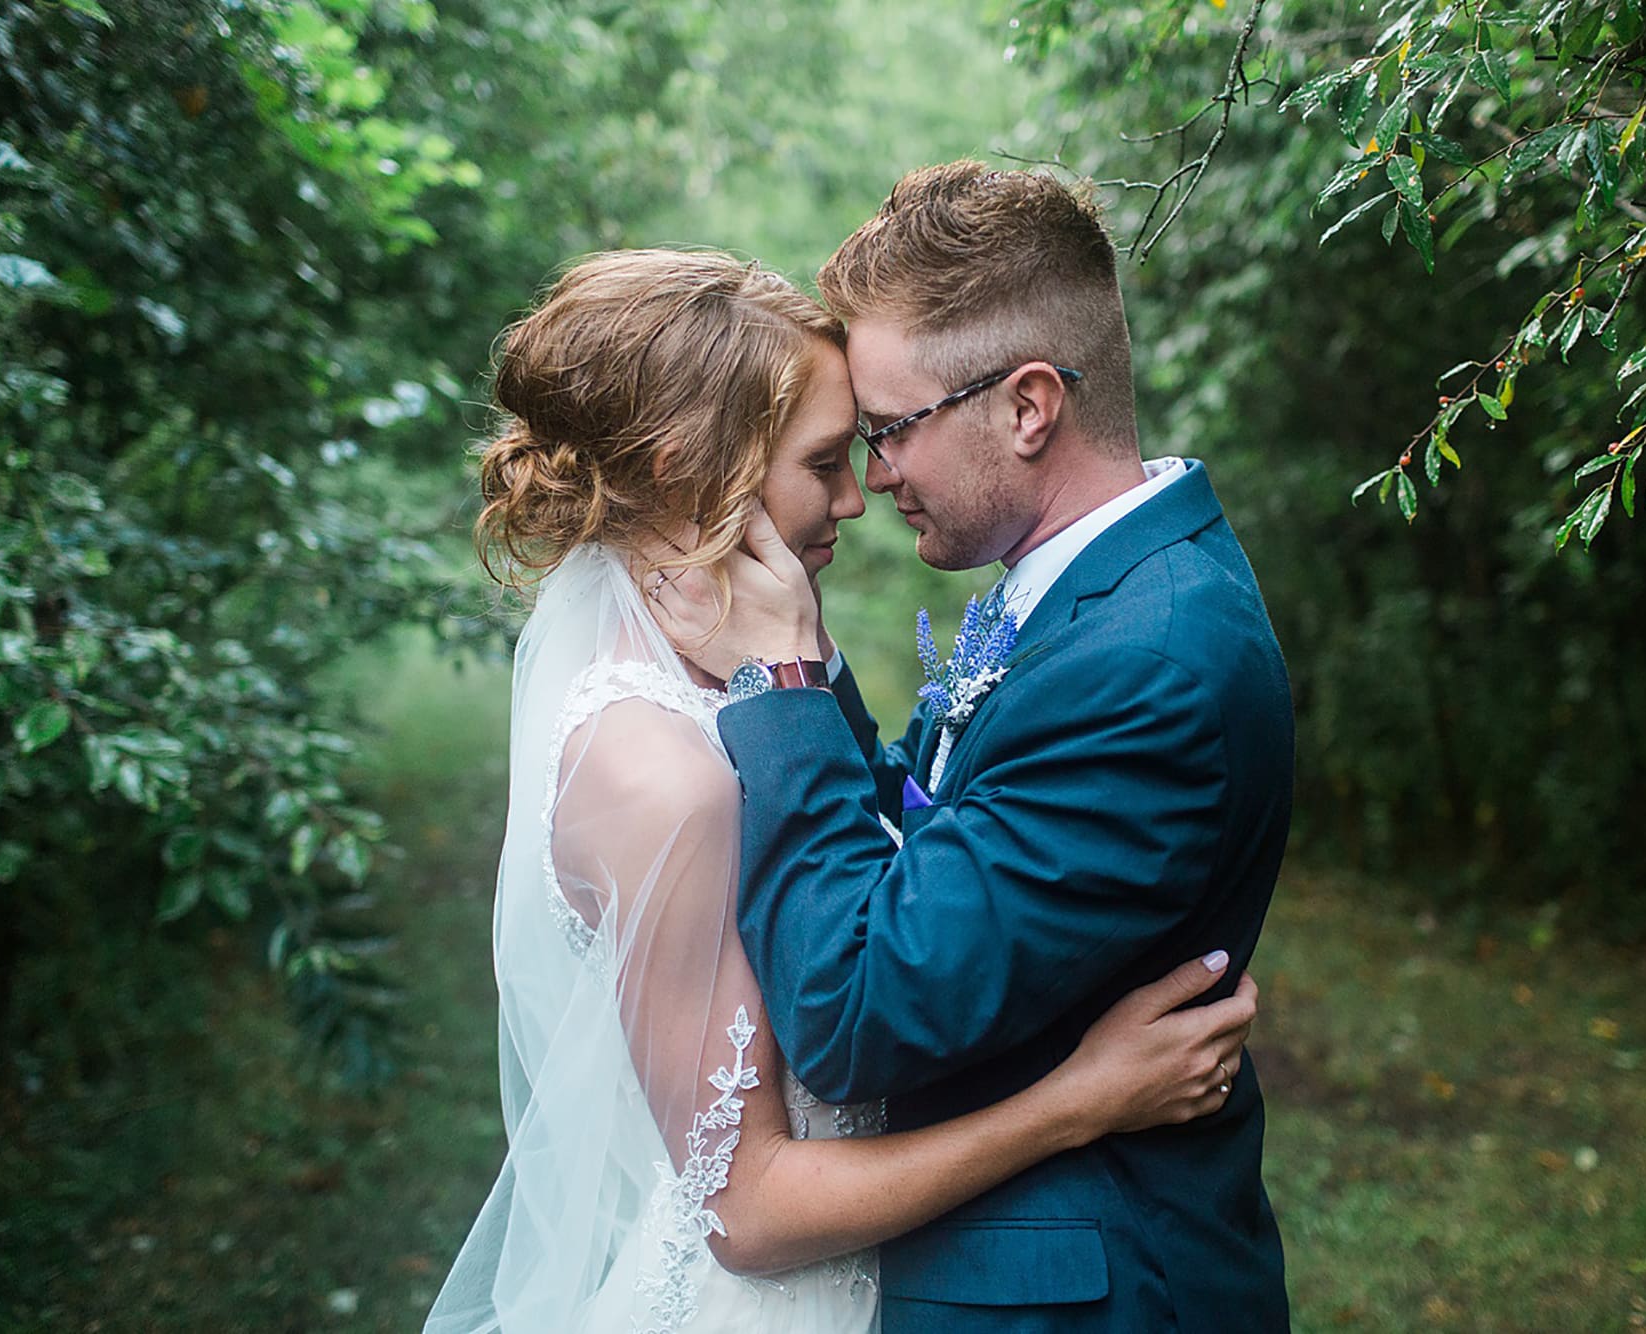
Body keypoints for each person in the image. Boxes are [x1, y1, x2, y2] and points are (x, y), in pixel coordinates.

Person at [424, 249, 1260, 1334]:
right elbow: (750, 1207)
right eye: (827, 457)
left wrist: (791, 670)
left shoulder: (738, 689)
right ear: (690, 468)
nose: (857, 496)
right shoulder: (656, 773)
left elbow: (878, 838)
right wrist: (1074, 1101)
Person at [651, 164, 1295, 1331]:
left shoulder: (1145, 660)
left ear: (1026, 405)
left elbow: (852, 1012)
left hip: (1082, 1293)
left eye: (890, 430)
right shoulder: (1087, 592)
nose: (872, 477)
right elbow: (932, 831)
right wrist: (808, 665)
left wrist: (785, 682)